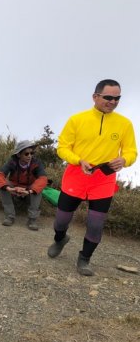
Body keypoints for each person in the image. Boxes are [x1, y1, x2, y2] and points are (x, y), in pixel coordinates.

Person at [47, 79, 137, 276]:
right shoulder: (77, 119)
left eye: (117, 98)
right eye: (108, 97)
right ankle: (60, 238)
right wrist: (78, 160)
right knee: (61, 219)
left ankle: (85, 258)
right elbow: (62, 147)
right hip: (76, 175)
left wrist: (124, 160)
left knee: (96, 224)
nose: (113, 102)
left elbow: (132, 152)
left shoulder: (124, 124)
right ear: (95, 97)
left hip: (104, 179)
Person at [0, 140, 48, 230]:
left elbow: (43, 179)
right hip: (15, 188)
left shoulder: (36, 163)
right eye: (26, 154)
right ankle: (10, 216)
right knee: (3, 185)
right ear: (19, 155)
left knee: (38, 188)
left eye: (32, 153)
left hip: (29, 189)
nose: (30, 156)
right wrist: (9, 188)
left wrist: (30, 191)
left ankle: (32, 219)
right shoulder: (12, 162)